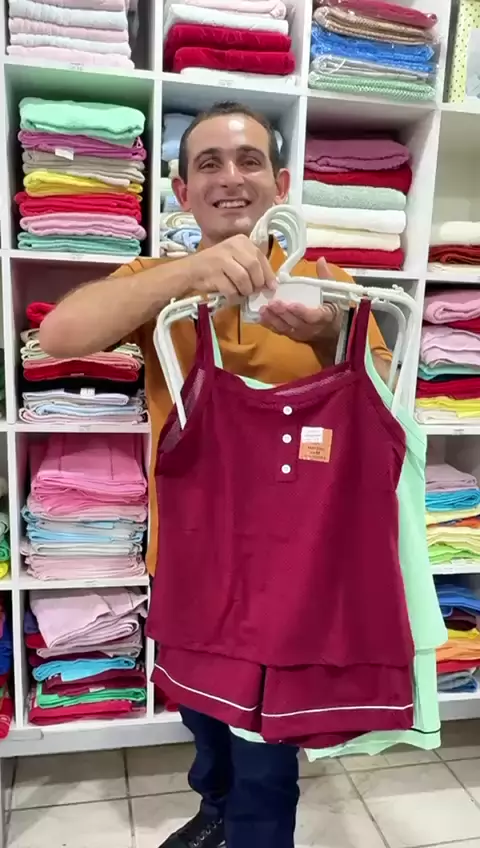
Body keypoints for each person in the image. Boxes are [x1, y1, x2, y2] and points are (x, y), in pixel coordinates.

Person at [40, 101, 392, 848]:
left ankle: (251, 831)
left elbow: (384, 407)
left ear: (281, 184)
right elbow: (60, 334)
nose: (230, 177)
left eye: (249, 161)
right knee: (201, 713)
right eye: (209, 164)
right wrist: (188, 271)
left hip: (292, 578)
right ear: (182, 192)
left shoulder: (328, 284)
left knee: (265, 750)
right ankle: (215, 814)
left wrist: (332, 336)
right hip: (188, 556)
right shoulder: (157, 281)